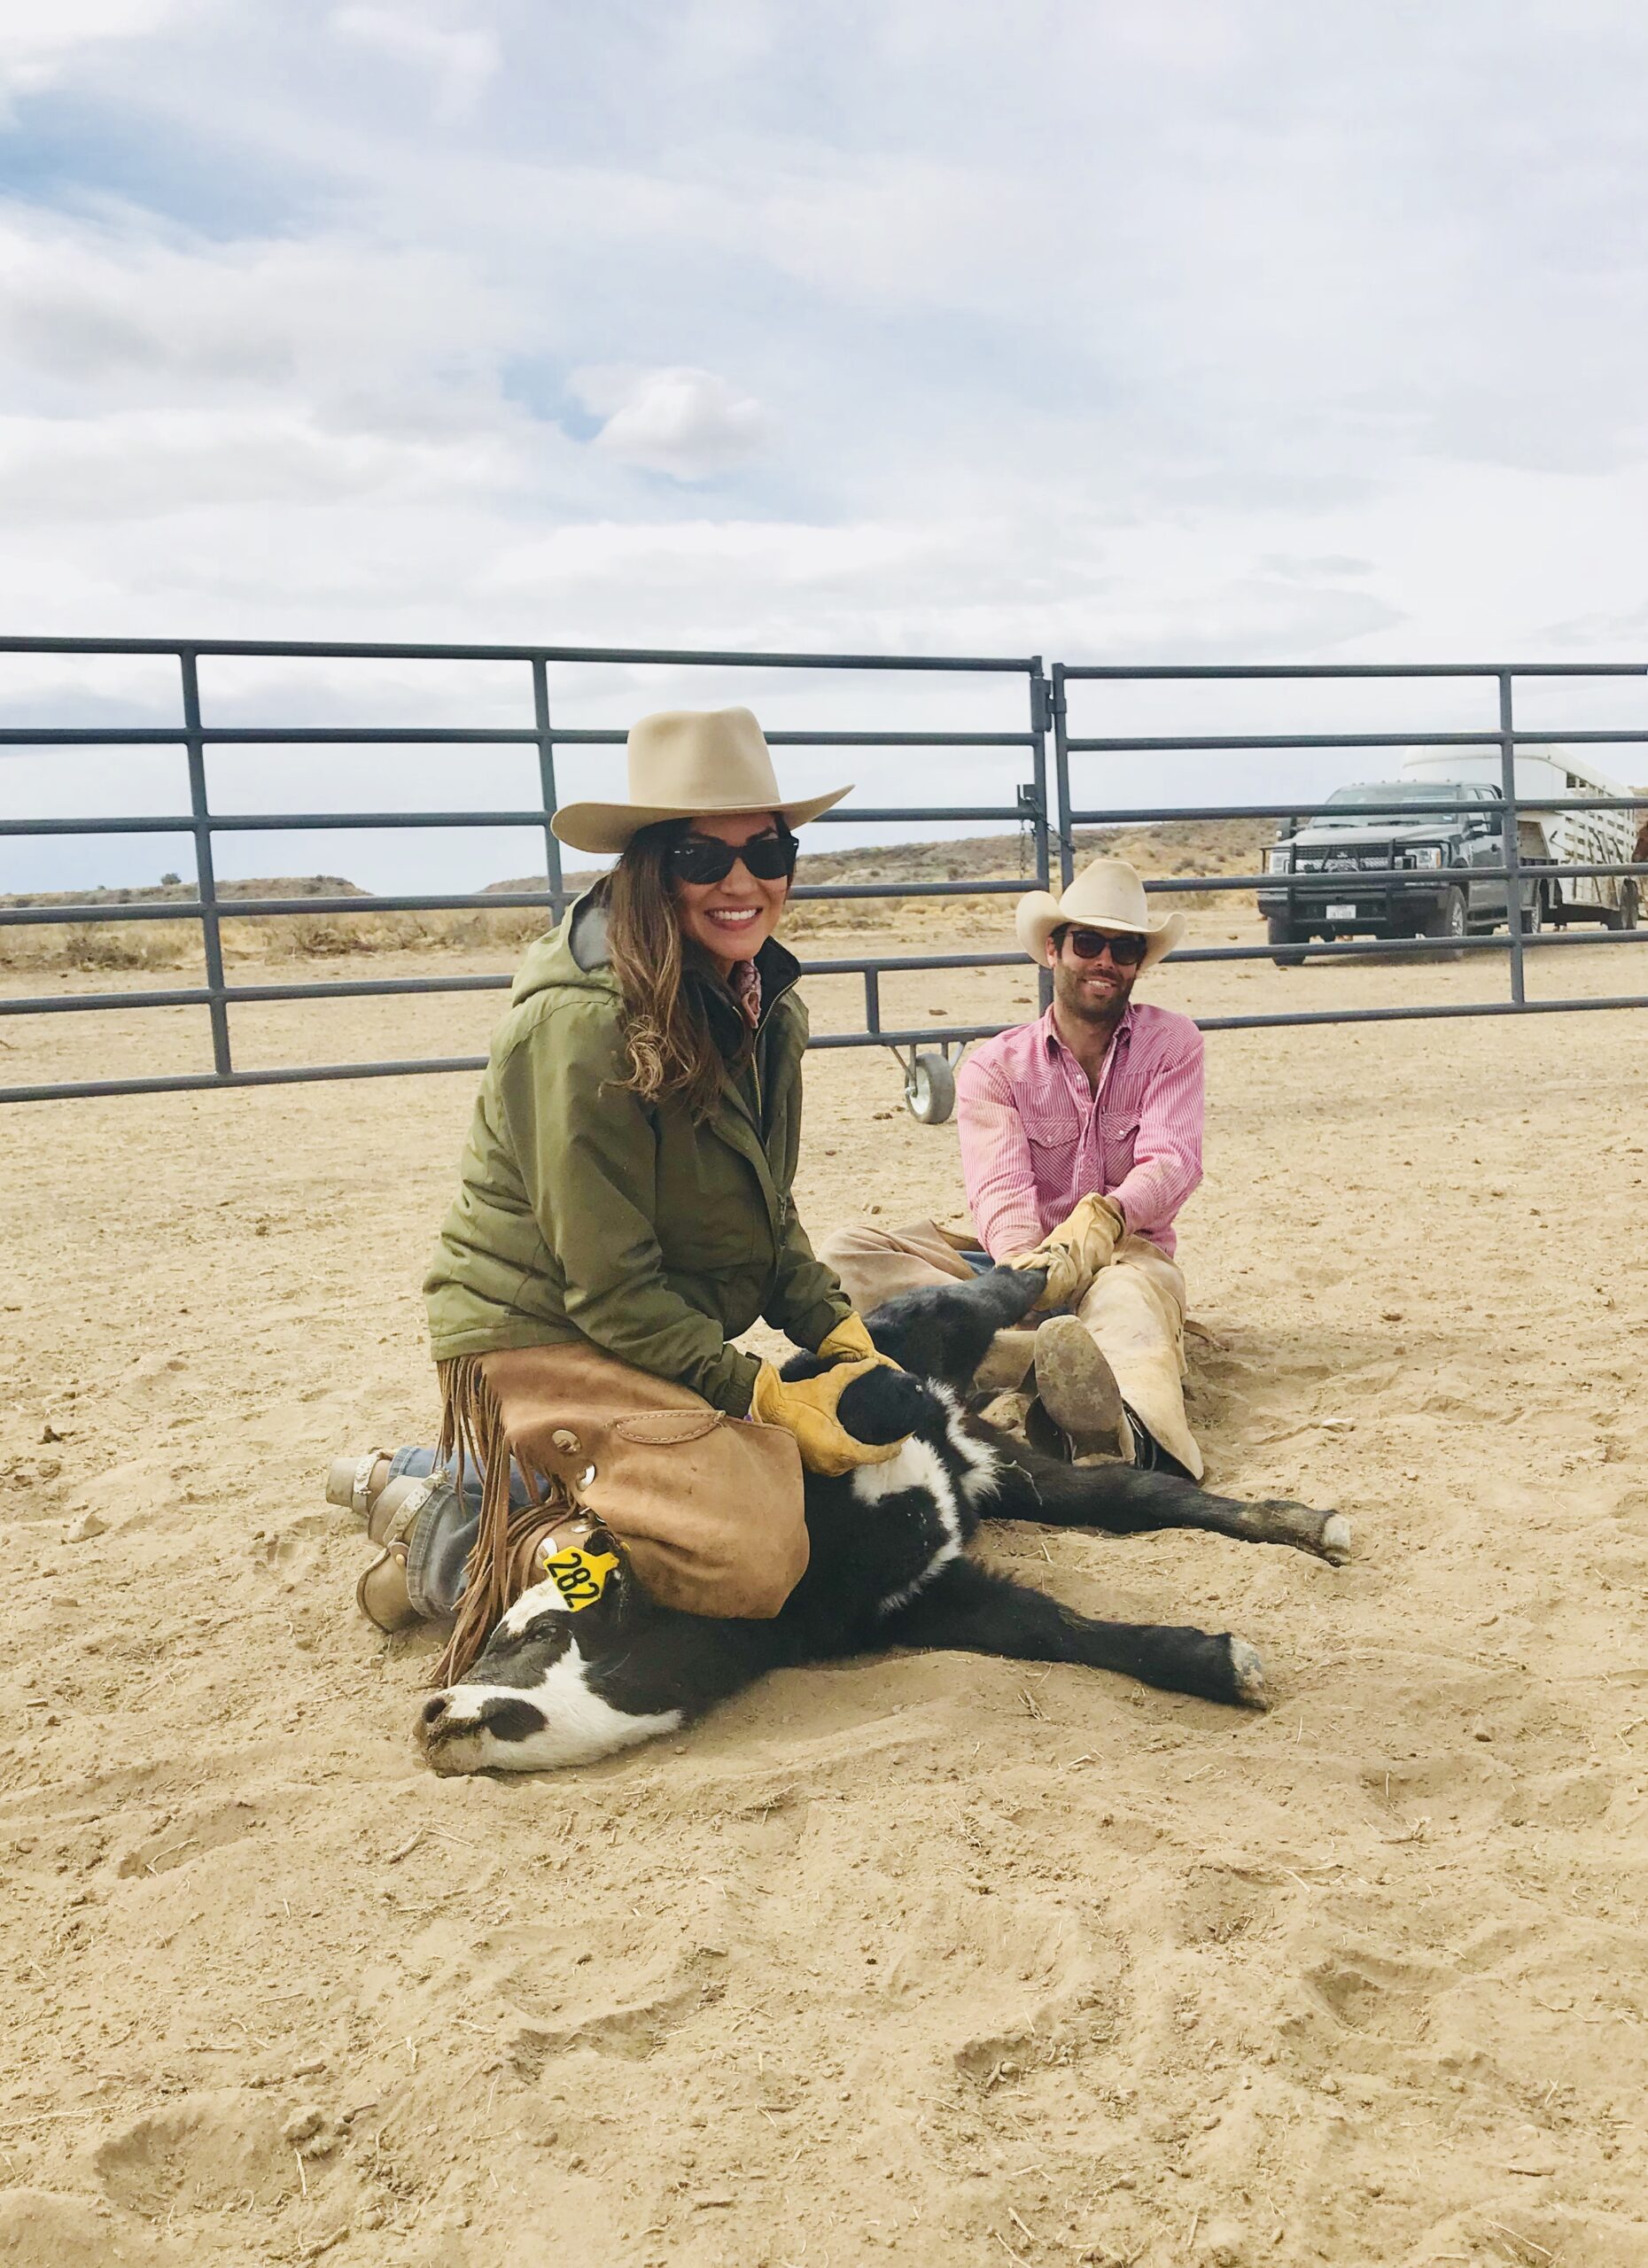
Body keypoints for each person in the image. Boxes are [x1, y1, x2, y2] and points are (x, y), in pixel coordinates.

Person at [333, 707, 907, 1671]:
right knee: (752, 1554)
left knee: (771, 1504)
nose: (742, 882)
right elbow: (608, 1288)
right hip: (541, 1332)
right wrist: (762, 1390)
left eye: (767, 849)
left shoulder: (766, 1004)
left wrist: (835, 1328)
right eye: (700, 856)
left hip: (636, 1326)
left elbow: (768, 1212)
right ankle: (474, 1549)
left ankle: (488, 1482)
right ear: (650, 866)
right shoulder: (579, 1030)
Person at [820, 856, 1205, 1479]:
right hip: (1011, 1262)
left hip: (1122, 1255)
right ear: (1052, 951)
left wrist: (1104, 1218)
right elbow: (1001, 1192)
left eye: (1125, 948)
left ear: (1138, 963)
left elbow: (1172, 1162)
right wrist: (1029, 1277)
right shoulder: (996, 1067)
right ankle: (1041, 1359)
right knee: (847, 1255)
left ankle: (1131, 1434)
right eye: (1088, 942)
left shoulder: (1173, 1044)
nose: (1106, 961)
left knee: (1132, 1297)